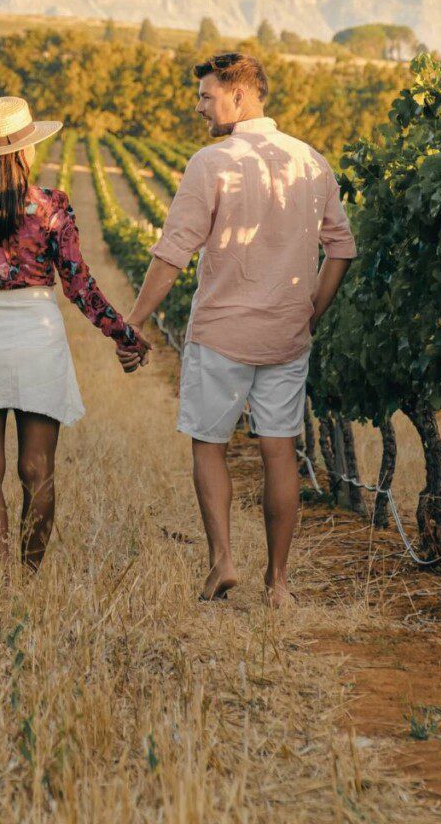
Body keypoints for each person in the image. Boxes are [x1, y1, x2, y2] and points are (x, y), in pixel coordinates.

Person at [118, 52, 356, 606]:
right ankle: (278, 583)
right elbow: (341, 248)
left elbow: (173, 253)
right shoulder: (311, 161)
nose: (199, 106)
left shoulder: (212, 163)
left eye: (207, 96)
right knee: (280, 450)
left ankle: (222, 561)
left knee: (209, 446)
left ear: (241, 96)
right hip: (286, 336)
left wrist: (133, 322)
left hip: (222, 332)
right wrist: (311, 309)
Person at [0, 95, 150, 570]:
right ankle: (29, 576)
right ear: (25, 151)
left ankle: (1, 574)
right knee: (38, 469)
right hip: (37, 333)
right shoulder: (51, 206)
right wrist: (122, 332)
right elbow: (78, 283)